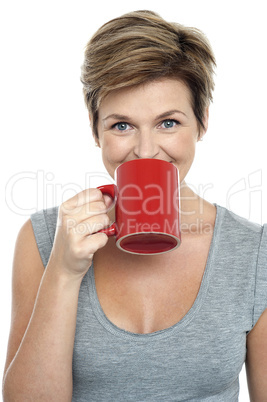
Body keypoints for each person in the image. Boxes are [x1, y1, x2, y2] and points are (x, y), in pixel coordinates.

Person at [2, 10, 267, 401]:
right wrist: (62, 272)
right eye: (121, 125)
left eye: (168, 122)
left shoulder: (254, 253)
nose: (145, 151)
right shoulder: (43, 240)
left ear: (203, 122)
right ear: (96, 130)